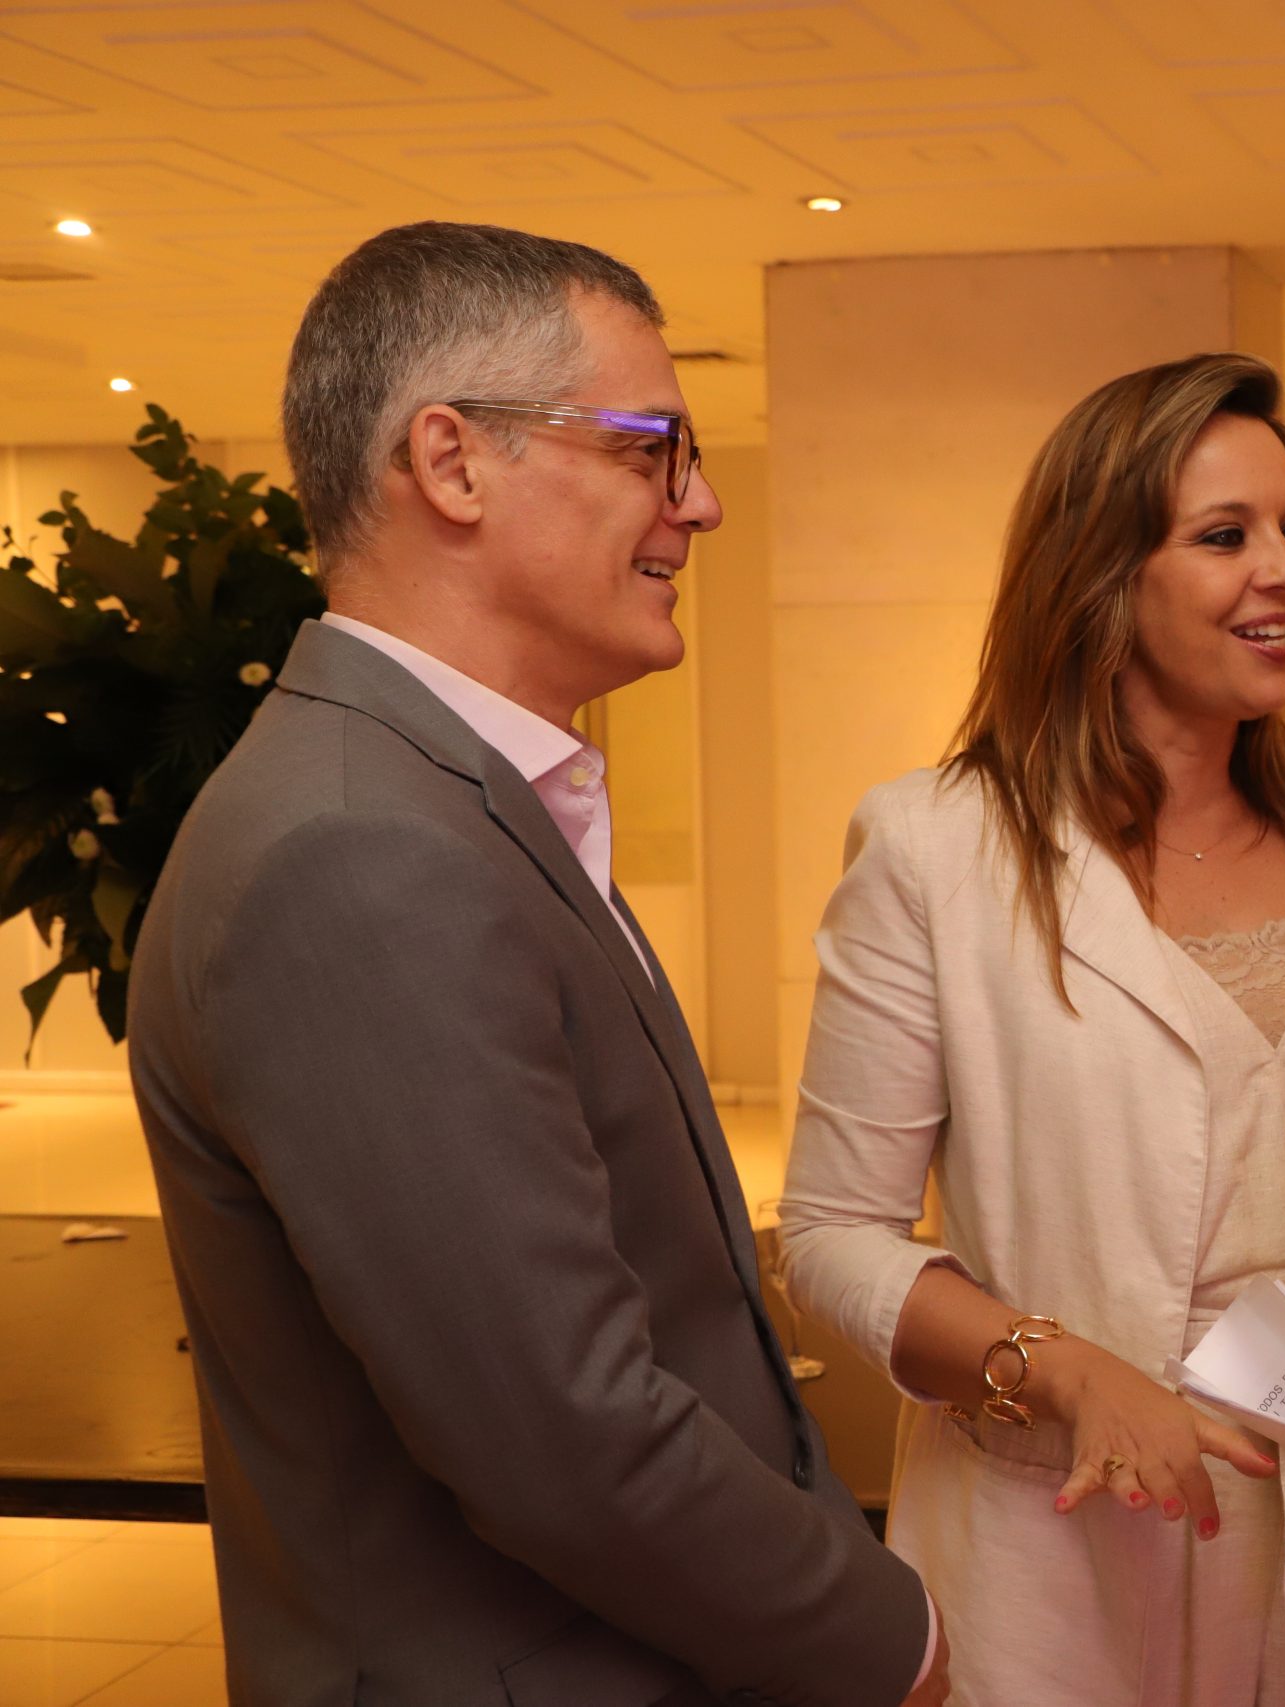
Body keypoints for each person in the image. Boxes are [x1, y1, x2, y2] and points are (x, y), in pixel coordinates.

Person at [125, 222, 945, 1706]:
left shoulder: (441, 798)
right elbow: (564, 1434)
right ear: (452, 463)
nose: (698, 504)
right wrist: (902, 1647)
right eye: (649, 448)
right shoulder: (359, 850)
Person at [777, 353, 1285, 1707]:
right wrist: (1056, 1369)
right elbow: (830, 1237)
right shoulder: (936, 849)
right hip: (1078, 1539)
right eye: (1225, 535)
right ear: (1101, 576)